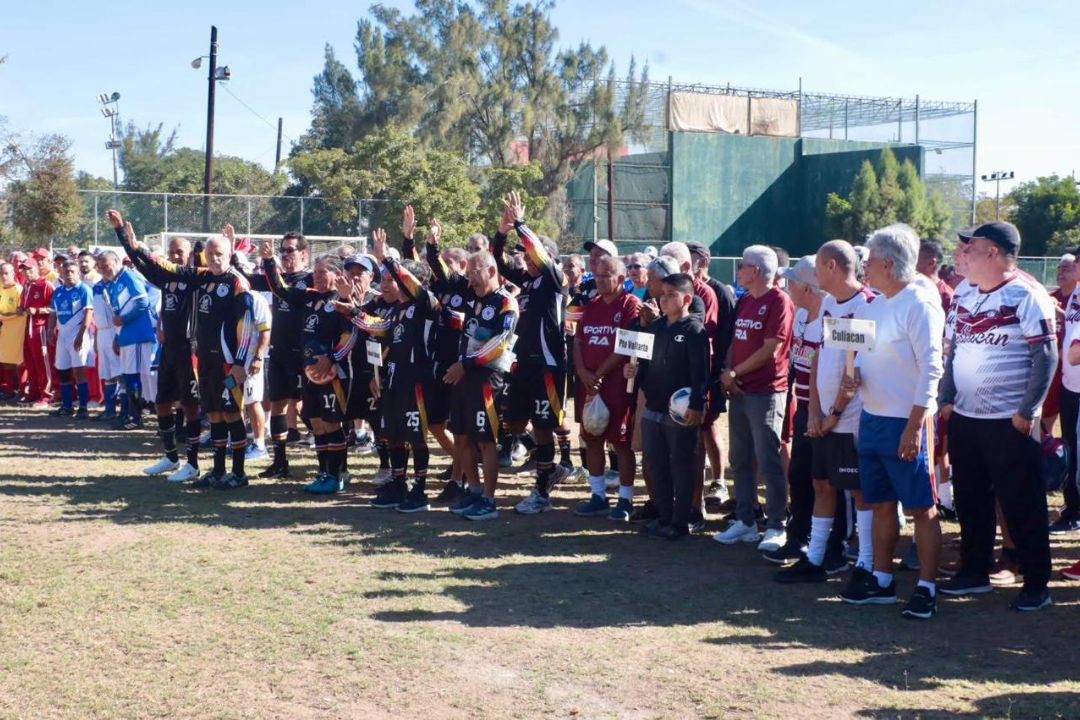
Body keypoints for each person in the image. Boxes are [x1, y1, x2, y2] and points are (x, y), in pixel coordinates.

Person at [937, 221, 1056, 612]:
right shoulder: (963, 295)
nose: (963, 254)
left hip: (1010, 420)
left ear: (993, 252)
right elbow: (952, 350)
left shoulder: (1026, 294)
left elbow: (1045, 356)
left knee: (1022, 503)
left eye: (971, 247)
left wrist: (1028, 410)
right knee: (971, 500)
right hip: (967, 418)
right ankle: (975, 570)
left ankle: (1037, 583)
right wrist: (948, 398)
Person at [110, 210, 263, 490]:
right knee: (215, 413)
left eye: (220, 254)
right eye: (211, 253)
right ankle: (217, 471)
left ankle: (239, 473)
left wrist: (242, 362)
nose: (216, 258)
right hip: (205, 360)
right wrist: (132, 243)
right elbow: (165, 268)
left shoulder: (237, 282)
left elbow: (248, 327)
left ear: (229, 255)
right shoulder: (201, 277)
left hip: (229, 363)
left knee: (231, 413)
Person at [838, 223, 943, 620]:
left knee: (921, 507)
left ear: (886, 262)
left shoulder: (919, 303)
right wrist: (856, 374)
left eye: (868, 261)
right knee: (881, 503)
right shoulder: (873, 304)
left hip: (906, 421)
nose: (864, 267)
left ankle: (926, 587)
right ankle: (882, 580)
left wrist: (915, 426)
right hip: (873, 418)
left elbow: (933, 368)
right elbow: (861, 356)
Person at [775, 243, 875, 581]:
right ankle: (814, 560)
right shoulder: (830, 303)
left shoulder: (866, 305)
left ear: (832, 266)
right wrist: (815, 410)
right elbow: (819, 357)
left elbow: (855, 372)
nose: (815, 275)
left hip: (851, 419)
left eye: (818, 267)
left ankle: (864, 563)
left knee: (858, 490)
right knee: (821, 484)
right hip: (824, 416)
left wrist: (834, 414)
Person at [492, 193, 571, 515]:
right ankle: (550, 468)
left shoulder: (555, 280)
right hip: (523, 363)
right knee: (513, 422)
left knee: (543, 424)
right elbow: (497, 264)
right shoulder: (527, 283)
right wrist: (502, 231)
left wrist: (522, 225)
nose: (522, 259)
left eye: (527, 253)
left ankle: (542, 491)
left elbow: (537, 253)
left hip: (548, 364)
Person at [714, 245, 794, 551]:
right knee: (741, 458)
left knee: (769, 459)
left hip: (767, 391)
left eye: (743, 266)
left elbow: (771, 348)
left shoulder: (779, 301)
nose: (738, 271)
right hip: (740, 390)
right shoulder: (746, 300)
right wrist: (728, 370)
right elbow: (737, 339)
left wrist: (735, 374)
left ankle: (776, 524)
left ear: (756, 271)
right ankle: (745, 520)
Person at [768, 255, 844, 574]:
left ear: (807, 288)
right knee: (800, 476)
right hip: (804, 408)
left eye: (792, 283)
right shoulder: (800, 313)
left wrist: (825, 412)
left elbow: (845, 370)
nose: (787, 288)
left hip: (828, 413)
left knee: (832, 483)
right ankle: (798, 536)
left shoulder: (833, 320)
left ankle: (835, 547)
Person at [262, 244, 354, 494]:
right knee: (316, 423)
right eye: (316, 272)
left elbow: (351, 335)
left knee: (332, 423)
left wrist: (332, 358)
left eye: (324, 272)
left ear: (336, 275)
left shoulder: (343, 301)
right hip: (311, 373)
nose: (317, 276)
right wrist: (270, 261)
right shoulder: (309, 296)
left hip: (333, 374)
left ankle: (337, 475)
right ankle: (323, 473)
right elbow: (279, 289)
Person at [624, 273, 709, 539]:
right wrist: (633, 373)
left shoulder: (695, 331)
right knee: (654, 463)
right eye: (662, 294)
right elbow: (645, 365)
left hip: (680, 412)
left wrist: (697, 404)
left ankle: (680, 522)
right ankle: (664, 516)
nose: (664, 299)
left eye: (671, 294)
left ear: (687, 299)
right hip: (653, 407)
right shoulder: (656, 328)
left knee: (682, 465)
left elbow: (701, 373)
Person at [365, 233, 442, 513]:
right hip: (394, 380)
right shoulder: (397, 310)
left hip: (418, 381)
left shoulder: (427, 304)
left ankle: (420, 491)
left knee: (416, 435)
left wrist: (386, 258)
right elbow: (380, 337)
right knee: (393, 435)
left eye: (400, 279)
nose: (396, 283)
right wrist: (378, 376)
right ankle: (399, 484)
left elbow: (412, 285)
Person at [118, 234, 204, 480]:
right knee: (162, 402)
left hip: (190, 351)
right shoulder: (166, 279)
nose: (176, 256)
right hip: (168, 349)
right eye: (173, 251)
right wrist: (123, 235)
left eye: (181, 252)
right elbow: (140, 262)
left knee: (190, 406)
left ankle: (193, 464)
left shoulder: (196, 279)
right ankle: (170, 457)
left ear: (190, 254)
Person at [442, 251, 519, 521]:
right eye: (470, 272)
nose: (471, 278)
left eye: (475, 272)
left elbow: (501, 344)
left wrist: (467, 364)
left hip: (487, 379)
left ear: (490, 270)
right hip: (463, 375)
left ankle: (489, 499)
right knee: (461, 435)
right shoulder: (472, 297)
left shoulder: (506, 303)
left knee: (486, 440)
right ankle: (473, 490)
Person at [572, 254, 641, 520]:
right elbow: (578, 342)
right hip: (589, 386)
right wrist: (581, 372)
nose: (599, 281)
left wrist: (598, 374)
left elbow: (626, 347)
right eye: (597, 276)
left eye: (606, 276)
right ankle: (597, 495)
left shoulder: (630, 305)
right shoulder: (591, 306)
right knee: (592, 440)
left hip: (617, 385)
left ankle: (625, 499)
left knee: (621, 443)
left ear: (621, 279)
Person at [243, 231, 312, 480]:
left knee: (312, 411)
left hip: (305, 355)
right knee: (278, 405)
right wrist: (231, 255)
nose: (285, 255)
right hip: (280, 352)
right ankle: (280, 461)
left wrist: (270, 263)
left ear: (304, 253)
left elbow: (282, 290)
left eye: (289, 250)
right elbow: (248, 280)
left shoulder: (312, 280)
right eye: (282, 251)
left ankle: (334, 466)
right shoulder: (276, 279)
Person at [687, 241, 738, 511]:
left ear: (703, 262)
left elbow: (728, 334)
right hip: (690, 371)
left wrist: (724, 369)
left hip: (714, 369)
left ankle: (719, 480)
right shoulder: (680, 288)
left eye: (691, 258)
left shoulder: (718, 291)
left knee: (710, 426)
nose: (687, 262)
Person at [47, 261, 94, 418]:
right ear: (62, 273)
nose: (69, 274)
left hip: (78, 334)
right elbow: (53, 313)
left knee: (79, 371)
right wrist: (50, 330)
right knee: (63, 371)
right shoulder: (58, 291)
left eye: (72, 271)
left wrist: (81, 334)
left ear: (78, 273)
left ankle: (83, 407)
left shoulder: (84, 290)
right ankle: (67, 407)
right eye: (66, 271)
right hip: (63, 335)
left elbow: (88, 313)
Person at [1045, 253, 1078, 437]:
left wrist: (1060, 313)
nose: (1060, 272)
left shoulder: (1077, 298)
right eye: (1059, 268)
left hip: (1071, 369)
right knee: (1045, 419)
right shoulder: (1049, 297)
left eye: (1066, 268)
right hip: (1052, 368)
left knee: (1071, 428)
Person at [18, 259, 54, 406]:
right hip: (28, 326)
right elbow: (24, 305)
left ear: (37, 268)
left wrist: (38, 310)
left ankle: (47, 394)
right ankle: (33, 392)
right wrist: (21, 309)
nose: (27, 272)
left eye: (30, 269)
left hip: (41, 328)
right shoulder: (26, 286)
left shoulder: (45, 285)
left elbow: (53, 309)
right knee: (30, 361)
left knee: (42, 361)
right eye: (25, 270)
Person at [91, 254, 123, 421]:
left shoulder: (117, 286)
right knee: (107, 373)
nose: (105, 269)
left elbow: (119, 314)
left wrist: (118, 337)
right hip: (102, 333)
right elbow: (97, 315)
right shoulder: (96, 287)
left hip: (114, 332)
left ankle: (125, 411)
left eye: (107, 265)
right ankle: (110, 410)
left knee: (120, 372)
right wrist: (96, 337)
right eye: (101, 266)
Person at [0, 263, 26, 399]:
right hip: (4, 331)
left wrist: (3, 316)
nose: (4, 276)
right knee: (5, 360)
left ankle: (22, 391)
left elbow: (20, 312)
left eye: (6, 273)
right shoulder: (0, 290)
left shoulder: (19, 290)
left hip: (18, 330)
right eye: (1, 274)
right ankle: (9, 390)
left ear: (13, 274)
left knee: (19, 362)